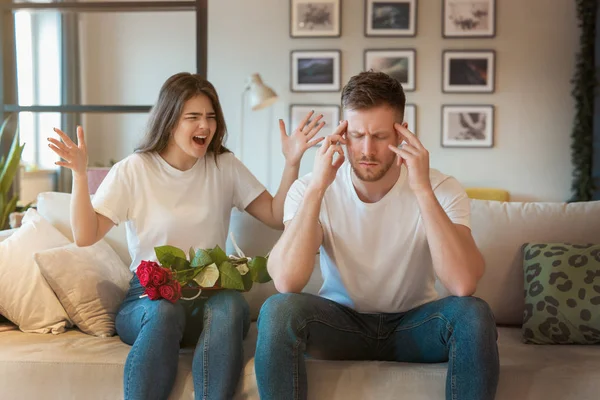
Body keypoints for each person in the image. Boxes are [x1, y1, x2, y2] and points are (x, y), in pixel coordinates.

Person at [46, 72, 325, 400]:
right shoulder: (135, 169)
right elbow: (85, 235)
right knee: (165, 310)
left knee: (231, 305)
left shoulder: (224, 165)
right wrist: (80, 174)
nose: (204, 126)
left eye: (210, 117)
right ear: (169, 120)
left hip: (209, 294)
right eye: (193, 117)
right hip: (147, 298)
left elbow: (277, 216)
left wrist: (292, 162)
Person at [255, 71, 500, 400]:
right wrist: (317, 189)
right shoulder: (310, 188)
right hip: (340, 325)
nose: (366, 150)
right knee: (277, 310)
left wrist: (422, 190)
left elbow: (462, 284)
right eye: (356, 135)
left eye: (380, 136)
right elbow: (287, 281)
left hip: (414, 326)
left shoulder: (440, 187)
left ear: (402, 134)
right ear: (342, 133)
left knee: (474, 313)